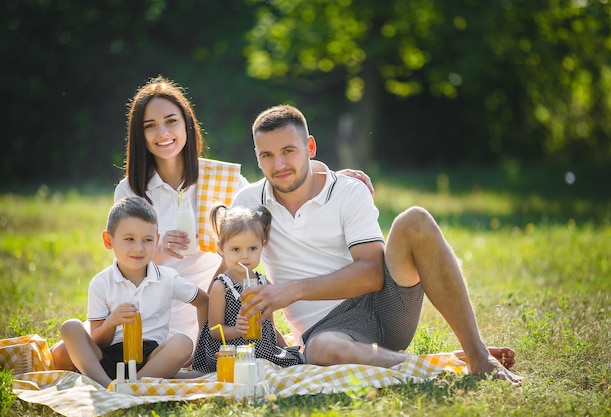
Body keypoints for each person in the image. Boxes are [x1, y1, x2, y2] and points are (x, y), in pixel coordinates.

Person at [51, 76, 371, 369]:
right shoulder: (131, 190)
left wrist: (331, 177)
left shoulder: (220, 181)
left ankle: (145, 374)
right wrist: (157, 252)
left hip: (201, 311)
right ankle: (129, 376)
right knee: (61, 355)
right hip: (143, 311)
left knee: (158, 353)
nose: (163, 133)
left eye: (171, 121)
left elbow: (272, 188)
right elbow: (124, 264)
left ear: (187, 125)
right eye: (151, 126)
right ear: (140, 134)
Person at [232, 104, 522, 384]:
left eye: (288, 151)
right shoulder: (248, 203)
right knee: (321, 350)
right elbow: (231, 274)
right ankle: (431, 365)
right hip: (327, 331)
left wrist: (292, 291)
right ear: (257, 158)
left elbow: (372, 274)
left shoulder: (347, 190)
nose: (279, 164)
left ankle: (477, 354)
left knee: (415, 220)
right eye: (267, 155)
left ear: (310, 148)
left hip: (387, 308)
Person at [58, 196, 209, 388]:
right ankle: (109, 386)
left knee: (183, 343)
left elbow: (203, 301)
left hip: (151, 359)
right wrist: (112, 321)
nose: (139, 248)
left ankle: (132, 385)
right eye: (129, 239)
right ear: (108, 240)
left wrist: (201, 351)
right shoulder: (101, 282)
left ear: (157, 242)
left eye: (147, 240)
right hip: (107, 359)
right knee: (70, 327)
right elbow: (98, 341)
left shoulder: (167, 278)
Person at [192, 204, 304, 373]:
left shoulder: (262, 282)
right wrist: (237, 330)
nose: (245, 256)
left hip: (262, 350)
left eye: (252, 248)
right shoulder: (221, 286)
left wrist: (286, 348)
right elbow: (215, 330)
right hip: (231, 352)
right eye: (236, 249)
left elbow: (269, 326)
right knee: (245, 368)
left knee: (294, 361)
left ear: (262, 246)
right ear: (221, 249)